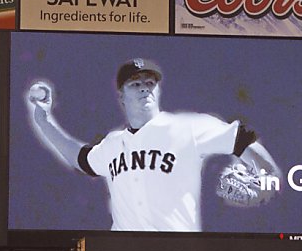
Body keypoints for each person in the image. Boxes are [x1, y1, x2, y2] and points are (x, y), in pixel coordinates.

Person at [26, 58, 280, 232]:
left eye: (150, 83)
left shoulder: (187, 127)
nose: (145, 89)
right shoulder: (113, 144)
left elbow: (243, 140)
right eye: (135, 84)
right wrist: (43, 120)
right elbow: (79, 158)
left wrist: (268, 178)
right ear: (121, 97)